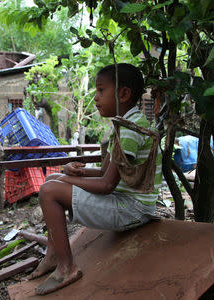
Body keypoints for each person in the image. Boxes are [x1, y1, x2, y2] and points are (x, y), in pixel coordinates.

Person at [28, 63, 162, 295]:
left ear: (124, 94)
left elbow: (107, 185)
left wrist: (67, 182)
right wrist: (74, 172)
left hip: (133, 209)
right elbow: (104, 173)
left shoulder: (130, 130)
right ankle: (52, 254)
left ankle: (66, 267)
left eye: (101, 90)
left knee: (49, 191)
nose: (96, 97)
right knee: (54, 179)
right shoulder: (124, 125)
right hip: (126, 201)